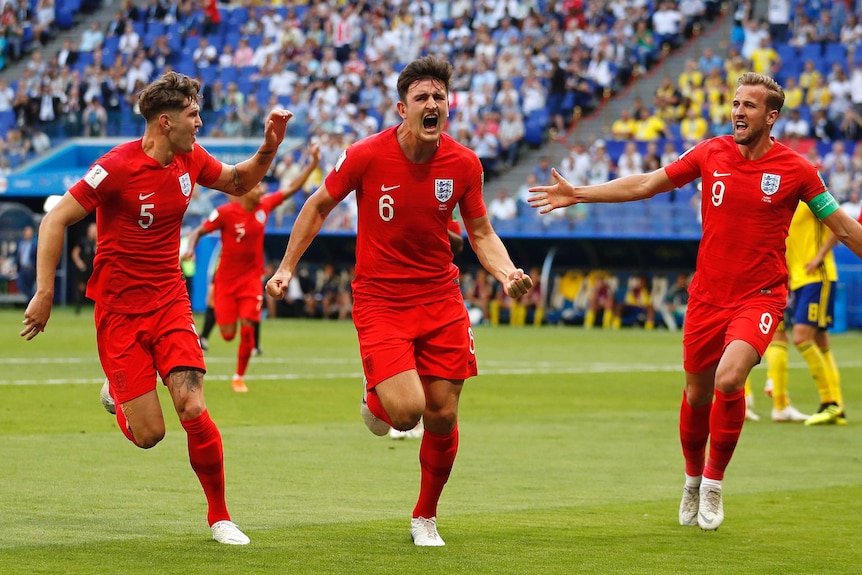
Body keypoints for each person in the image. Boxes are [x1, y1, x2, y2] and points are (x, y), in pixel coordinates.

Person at [528, 72, 862, 531]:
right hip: (707, 297)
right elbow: (647, 184)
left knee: (730, 379)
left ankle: (713, 483)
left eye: (749, 105)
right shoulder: (711, 152)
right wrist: (579, 193)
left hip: (759, 297)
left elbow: (842, 227)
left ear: (772, 116)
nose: (738, 111)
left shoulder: (797, 171)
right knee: (696, 394)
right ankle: (690, 478)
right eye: (735, 103)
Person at [265, 56, 533, 546]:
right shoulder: (366, 155)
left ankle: (424, 516)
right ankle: (376, 393)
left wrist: (506, 271)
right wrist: (284, 268)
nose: (432, 105)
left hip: (440, 297)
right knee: (406, 412)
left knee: (444, 413)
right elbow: (317, 205)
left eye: (439, 98)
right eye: (422, 98)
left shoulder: (464, 163)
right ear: (401, 108)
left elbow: (480, 232)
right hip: (381, 299)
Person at [20, 71, 293, 546]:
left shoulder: (190, 159)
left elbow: (239, 180)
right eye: (193, 115)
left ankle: (220, 517)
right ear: (165, 122)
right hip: (120, 311)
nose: (200, 123)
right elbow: (55, 219)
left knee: (192, 404)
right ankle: (119, 397)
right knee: (149, 434)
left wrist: (269, 147)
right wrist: (44, 293)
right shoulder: (117, 167)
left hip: (169, 301)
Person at [182, 141, 320, 392]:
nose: (262, 189)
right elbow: (198, 231)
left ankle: (239, 377)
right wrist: (191, 246)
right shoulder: (225, 213)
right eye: (257, 186)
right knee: (227, 334)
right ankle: (220, 329)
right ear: (245, 191)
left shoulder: (264, 207)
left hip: (250, 280)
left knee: (248, 328)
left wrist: (312, 165)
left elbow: (290, 189)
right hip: (225, 281)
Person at [771, 202, 846, 425]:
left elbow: (838, 225)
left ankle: (829, 402)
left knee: (801, 337)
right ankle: (837, 405)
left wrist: (819, 256)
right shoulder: (785, 204)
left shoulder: (810, 199)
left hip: (817, 277)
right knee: (821, 341)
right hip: (799, 280)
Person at [70, 221, 97, 315]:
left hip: (94, 269)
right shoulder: (83, 241)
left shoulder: (99, 242)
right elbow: (75, 253)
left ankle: (97, 309)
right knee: (81, 288)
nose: (94, 232)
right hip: (83, 270)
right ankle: (78, 309)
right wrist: (80, 264)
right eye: (93, 230)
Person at [16, 225, 37, 301]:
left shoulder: (35, 244)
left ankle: (30, 302)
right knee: (20, 285)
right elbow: (17, 255)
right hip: (22, 268)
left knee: (30, 287)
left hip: (30, 269)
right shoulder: (20, 243)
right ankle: (31, 299)